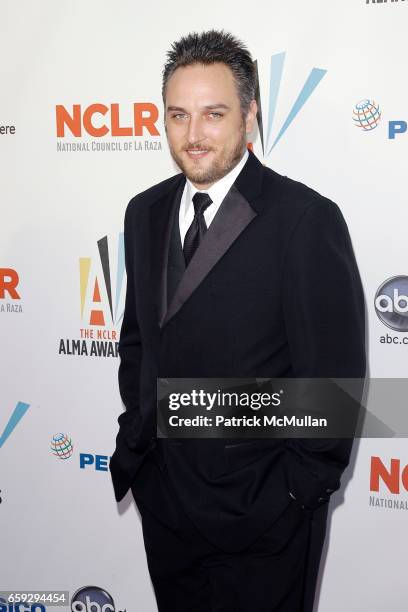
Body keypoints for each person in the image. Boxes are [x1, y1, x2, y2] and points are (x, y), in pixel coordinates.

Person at [109, 29, 366, 612]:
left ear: (249, 117)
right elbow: (138, 341)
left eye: (213, 114)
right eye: (178, 115)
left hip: (265, 521)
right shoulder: (143, 211)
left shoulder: (305, 220)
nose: (193, 135)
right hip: (166, 505)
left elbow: (334, 389)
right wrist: (140, 436)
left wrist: (293, 495)